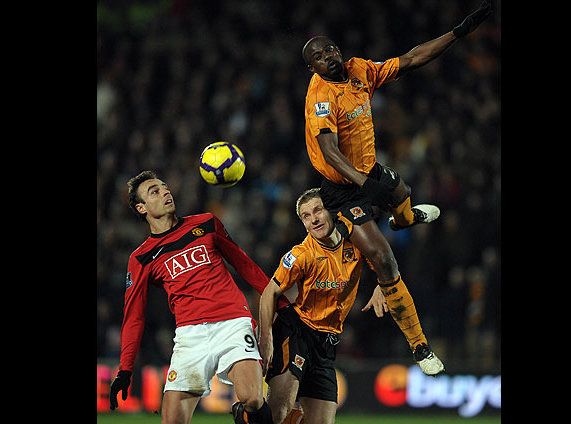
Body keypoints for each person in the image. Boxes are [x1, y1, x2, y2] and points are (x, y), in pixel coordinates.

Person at [301, 1, 492, 372]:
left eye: (330, 50)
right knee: (384, 259)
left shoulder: (359, 70)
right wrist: (363, 184)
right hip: (343, 188)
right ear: (312, 69)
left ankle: (404, 219)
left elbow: (412, 58)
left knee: (402, 192)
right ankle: (420, 347)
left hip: (367, 170)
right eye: (319, 58)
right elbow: (329, 151)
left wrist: (457, 33)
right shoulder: (321, 97)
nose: (328, 58)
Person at [109, 170, 290, 424]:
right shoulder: (141, 258)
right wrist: (125, 369)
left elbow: (246, 266)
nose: (165, 191)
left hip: (233, 323)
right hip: (189, 336)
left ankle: (245, 414)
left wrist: (283, 306)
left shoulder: (206, 224)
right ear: (142, 208)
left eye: (164, 186)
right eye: (154, 191)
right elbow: (134, 316)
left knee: (251, 398)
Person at [253, 188, 427, 424]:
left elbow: (385, 262)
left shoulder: (355, 242)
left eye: (318, 210)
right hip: (297, 331)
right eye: (306, 216)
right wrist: (266, 338)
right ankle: (247, 413)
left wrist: (382, 286)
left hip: (327, 342)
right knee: (279, 410)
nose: (314, 219)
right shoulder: (301, 255)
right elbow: (269, 293)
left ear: (331, 211)